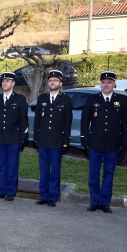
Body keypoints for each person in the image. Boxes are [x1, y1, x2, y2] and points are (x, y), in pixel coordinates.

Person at [81, 71, 127, 213]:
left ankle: (105, 202)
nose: (106, 85)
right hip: (95, 142)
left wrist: (124, 142)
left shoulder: (122, 100)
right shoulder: (92, 99)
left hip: (113, 143)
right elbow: (85, 121)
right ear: (100, 83)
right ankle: (94, 201)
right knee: (94, 173)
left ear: (114, 84)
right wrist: (84, 139)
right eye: (103, 82)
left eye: (109, 82)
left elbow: (125, 123)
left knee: (109, 172)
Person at [33, 70, 73, 207]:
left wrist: (66, 140)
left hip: (57, 141)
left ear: (61, 83)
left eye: (55, 80)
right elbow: (37, 120)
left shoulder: (66, 100)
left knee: (55, 170)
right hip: (43, 140)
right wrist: (36, 138)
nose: (52, 82)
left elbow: (68, 122)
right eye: (50, 80)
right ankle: (43, 195)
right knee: (44, 170)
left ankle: (53, 196)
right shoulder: (42, 98)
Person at [0, 72, 28, 201]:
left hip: (14, 137)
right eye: (3, 81)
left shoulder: (20, 99)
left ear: (13, 83)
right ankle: (1, 190)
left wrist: (23, 137)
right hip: (0, 137)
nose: (4, 83)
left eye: (7, 81)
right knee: (1, 166)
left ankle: (11, 191)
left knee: (12, 166)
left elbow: (24, 119)